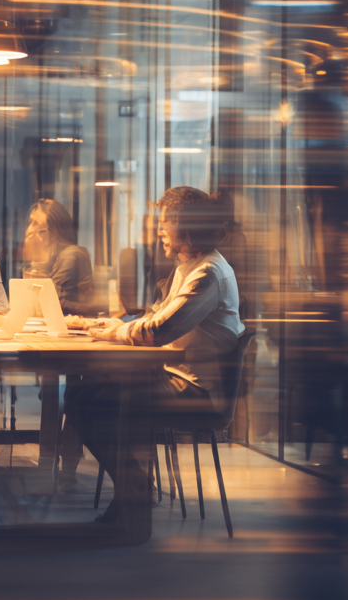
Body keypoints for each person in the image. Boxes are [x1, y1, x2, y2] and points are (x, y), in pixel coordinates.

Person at [65, 186, 244, 522]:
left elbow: (158, 332)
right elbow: (157, 317)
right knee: (81, 394)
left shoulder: (207, 274)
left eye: (166, 222)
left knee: (94, 400)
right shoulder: (189, 266)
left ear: (186, 229)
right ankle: (134, 489)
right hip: (176, 376)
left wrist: (115, 332)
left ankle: (134, 494)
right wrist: (112, 324)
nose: (160, 230)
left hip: (197, 391)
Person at [22, 198, 95, 315]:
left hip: (75, 322)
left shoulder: (70, 255)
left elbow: (43, 303)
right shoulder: (51, 258)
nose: (29, 230)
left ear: (53, 233)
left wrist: (34, 253)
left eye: (35, 224)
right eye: (30, 222)